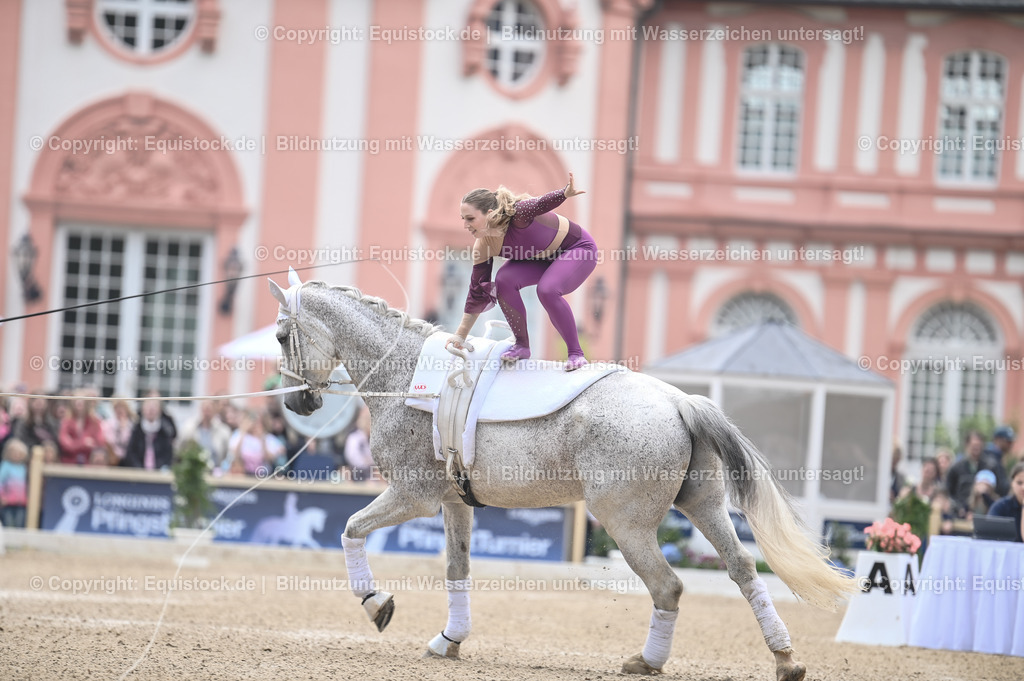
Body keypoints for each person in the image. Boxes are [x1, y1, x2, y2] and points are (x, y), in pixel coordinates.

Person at [447, 173, 596, 371]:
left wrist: (564, 193)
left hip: (577, 249)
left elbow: (541, 203)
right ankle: (522, 346)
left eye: (470, 219)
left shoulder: (518, 214)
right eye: (463, 219)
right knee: (504, 280)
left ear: (489, 213)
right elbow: (476, 293)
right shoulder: (482, 247)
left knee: (547, 290)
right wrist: (460, 336)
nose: (465, 225)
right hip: (542, 258)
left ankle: (576, 354)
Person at [946, 430, 1002, 519]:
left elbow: (1000, 489)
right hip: (961, 514)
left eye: (978, 446)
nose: (976, 449)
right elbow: (948, 491)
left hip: (986, 513)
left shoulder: (991, 466)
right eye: (973, 446)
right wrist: (959, 508)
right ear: (967, 445)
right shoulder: (956, 467)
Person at [122, 394, 177, 470]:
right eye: (148, 407)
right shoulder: (136, 429)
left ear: (159, 410)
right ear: (143, 409)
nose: (151, 410)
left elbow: (168, 455)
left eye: (154, 408)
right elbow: (131, 453)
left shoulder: (165, 431)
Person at [225, 409, 285, 476]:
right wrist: (243, 431)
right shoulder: (239, 434)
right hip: (243, 474)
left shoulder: (269, 439)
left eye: (258, 422)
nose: (255, 425)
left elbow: (269, 459)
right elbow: (235, 454)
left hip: (263, 475)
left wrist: (262, 440)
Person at [58, 391, 108, 465]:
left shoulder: (95, 422)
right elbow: (65, 444)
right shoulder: (66, 422)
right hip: (69, 463)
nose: (79, 403)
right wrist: (82, 443)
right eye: (77, 401)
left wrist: (74, 443)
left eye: (82, 401)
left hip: (89, 464)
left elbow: (99, 443)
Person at [180, 399, 232, 470]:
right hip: (193, 471)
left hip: (215, 472)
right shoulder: (189, 427)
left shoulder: (223, 431)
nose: (207, 411)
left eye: (210, 408)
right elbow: (180, 448)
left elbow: (227, 455)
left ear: (215, 410)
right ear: (201, 409)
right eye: (205, 408)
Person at [988, 461, 1024, 542]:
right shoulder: (1000, 506)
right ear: (1012, 483)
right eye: (1019, 483)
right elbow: (989, 534)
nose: (1023, 488)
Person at [0, 438, 29, 528]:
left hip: (21, 503)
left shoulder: (23, 467)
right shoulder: (6, 465)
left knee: (19, 524)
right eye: (14, 452)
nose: (16, 455)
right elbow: (0, 482)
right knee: (8, 524)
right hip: (8, 502)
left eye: (18, 453)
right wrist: (2, 497)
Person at [343, 407, 374, 482]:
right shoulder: (354, 437)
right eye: (369, 421)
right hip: (358, 474)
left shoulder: (372, 438)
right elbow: (354, 458)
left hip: (372, 473)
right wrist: (368, 462)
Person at [102, 398, 136, 464]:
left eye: (122, 408)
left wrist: (124, 428)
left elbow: (131, 442)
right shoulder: (108, 424)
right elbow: (108, 440)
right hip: (113, 458)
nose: (119, 410)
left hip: (129, 458)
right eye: (117, 408)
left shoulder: (132, 424)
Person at [984, 425, 1016, 493]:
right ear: (998, 440)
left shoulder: (998, 457)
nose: (1010, 445)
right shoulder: (990, 459)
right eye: (1008, 441)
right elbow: (1000, 486)